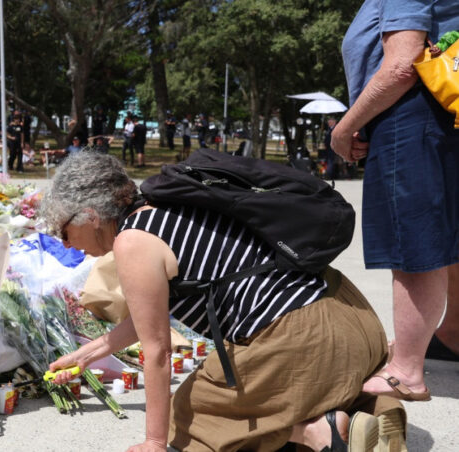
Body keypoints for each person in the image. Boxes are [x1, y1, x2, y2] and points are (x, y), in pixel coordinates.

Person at [42, 151, 406, 452]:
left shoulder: (132, 241)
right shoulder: (167, 205)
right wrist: (83, 356)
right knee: (289, 387)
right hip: (351, 319)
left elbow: (157, 351)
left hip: (301, 338)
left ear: (90, 215)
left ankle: (317, 431)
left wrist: (154, 441)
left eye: (64, 230)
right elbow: (147, 318)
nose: (66, 243)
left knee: (190, 414)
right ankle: (374, 410)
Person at [332, 1, 459, 401]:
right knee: (446, 234)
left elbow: (402, 66)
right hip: (441, 114)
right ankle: (453, 332)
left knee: (412, 239)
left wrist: (346, 127)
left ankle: (405, 370)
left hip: (411, 115)